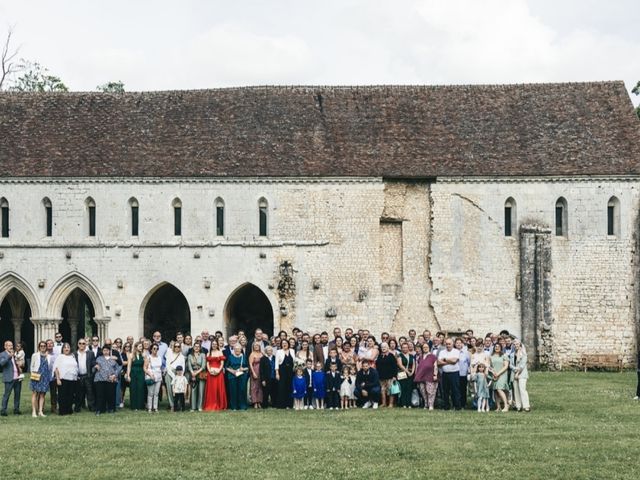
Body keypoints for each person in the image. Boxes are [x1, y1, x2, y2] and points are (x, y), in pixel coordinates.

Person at [53, 343, 78, 416]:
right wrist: (58, 379)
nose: (66, 349)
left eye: (68, 347)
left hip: (72, 379)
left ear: (70, 349)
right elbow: (56, 368)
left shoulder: (72, 356)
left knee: (70, 395)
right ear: (62, 349)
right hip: (62, 379)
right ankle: (62, 411)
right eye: (65, 347)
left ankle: (69, 410)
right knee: (62, 395)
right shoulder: (60, 357)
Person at [93, 345, 119, 415]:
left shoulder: (113, 359)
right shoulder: (98, 358)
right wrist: (95, 366)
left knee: (110, 395)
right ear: (102, 351)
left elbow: (117, 368)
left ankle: (111, 409)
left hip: (111, 379)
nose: (105, 352)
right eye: (104, 350)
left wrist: (114, 375)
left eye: (107, 350)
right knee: (100, 395)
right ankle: (99, 410)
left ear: (109, 351)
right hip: (100, 379)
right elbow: (94, 367)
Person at [438, 338, 462, 410]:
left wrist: (444, 359)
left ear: (452, 344)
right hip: (445, 374)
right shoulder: (442, 352)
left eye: (449, 344)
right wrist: (449, 361)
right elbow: (438, 363)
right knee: (445, 391)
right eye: (447, 344)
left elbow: (455, 361)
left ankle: (457, 406)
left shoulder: (456, 351)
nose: (448, 345)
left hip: (454, 373)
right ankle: (446, 406)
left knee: (455, 390)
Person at [203, 341, 227, 411]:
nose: (214, 345)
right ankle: (210, 404)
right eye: (213, 344)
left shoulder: (220, 352)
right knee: (211, 389)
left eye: (215, 344)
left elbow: (222, 363)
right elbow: (207, 363)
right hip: (210, 373)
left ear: (217, 345)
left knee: (218, 388)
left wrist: (219, 371)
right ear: (211, 345)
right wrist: (209, 371)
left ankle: (220, 404)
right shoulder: (208, 353)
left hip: (219, 373)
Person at [73, 338, 96, 412]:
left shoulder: (90, 353)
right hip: (78, 376)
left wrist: (92, 372)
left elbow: (93, 363)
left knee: (90, 392)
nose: (82, 345)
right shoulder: (74, 354)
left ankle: (91, 407)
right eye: (80, 343)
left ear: (86, 344)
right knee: (78, 393)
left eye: (83, 343)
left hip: (88, 375)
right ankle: (77, 408)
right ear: (78, 344)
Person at [0, 340, 22, 416]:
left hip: (17, 377)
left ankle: (16, 410)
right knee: (7, 394)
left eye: (12, 345)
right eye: (9, 345)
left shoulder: (15, 354)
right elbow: (2, 363)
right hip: (9, 378)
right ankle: (3, 410)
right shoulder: (2, 354)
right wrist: (9, 356)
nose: (11, 347)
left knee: (17, 394)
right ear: (5, 346)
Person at [29, 341, 50, 417]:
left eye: (44, 346)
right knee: (35, 393)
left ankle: (40, 411)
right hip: (36, 375)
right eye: (41, 346)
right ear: (39, 347)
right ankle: (34, 411)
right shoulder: (35, 355)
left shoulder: (48, 356)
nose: (43, 347)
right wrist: (33, 375)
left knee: (42, 394)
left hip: (45, 376)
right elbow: (32, 366)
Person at [415, 343, 438, 410]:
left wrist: (435, 374)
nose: (425, 348)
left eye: (426, 347)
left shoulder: (433, 356)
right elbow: (417, 366)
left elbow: (435, 366)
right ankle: (426, 404)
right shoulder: (420, 357)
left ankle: (431, 405)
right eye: (424, 347)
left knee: (430, 391)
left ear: (429, 348)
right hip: (421, 376)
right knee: (423, 391)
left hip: (430, 376)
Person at [226, 344, 248, 410]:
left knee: (242, 390)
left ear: (241, 349)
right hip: (232, 376)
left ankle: (242, 406)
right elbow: (226, 366)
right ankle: (234, 406)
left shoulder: (244, 357)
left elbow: (248, 367)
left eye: (238, 349)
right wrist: (232, 371)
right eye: (236, 349)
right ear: (234, 350)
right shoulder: (230, 357)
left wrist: (243, 369)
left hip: (242, 375)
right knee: (233, 391)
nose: (237, 350)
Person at [164, 342, 185, 411]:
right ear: (173, 347)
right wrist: (173, 376)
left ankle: (178, 405)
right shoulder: (169, 354)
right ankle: (172, 405)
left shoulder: (182, 356)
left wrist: (179, 376)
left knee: (178, 390)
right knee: (170, 390)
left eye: (178, 346)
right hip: (170, 373)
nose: (177, 348)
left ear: (180, 348)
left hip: (179, 373)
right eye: (175, 346)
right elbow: (167, 366)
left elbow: (183, 367)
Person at [125, 342, 146, 410]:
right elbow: (129, 366)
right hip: (133, 373)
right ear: (136, 347)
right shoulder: (131, 355)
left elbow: (145, 366)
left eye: (141, 346)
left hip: (141, 373)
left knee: (140, 388)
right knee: (133, 389)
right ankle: (134, 406)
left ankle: (140, 406)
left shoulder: (143, 355)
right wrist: (128, 375)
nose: (141, 348)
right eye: (140, 346)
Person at [510, 339, 530, 412]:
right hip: (514, 373)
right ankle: (518, 406)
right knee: (516, 390)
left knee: (522, 389)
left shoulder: (523, 354)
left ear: (520, 345)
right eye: (514, 345)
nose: (516, 346)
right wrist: (515, 369)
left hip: (521, 374)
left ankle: (526, 406)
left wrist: (517, 373)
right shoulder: (512, 355)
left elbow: (522, 365)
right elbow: (510, 364)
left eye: (517, 344)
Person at [376, 342, 398, 408]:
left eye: (385, 347)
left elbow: (395, 367)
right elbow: (377, 366)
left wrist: (394, 376)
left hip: (390, 376)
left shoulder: (391, 356)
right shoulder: (379, 356)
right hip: (381, 376)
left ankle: (391, 404)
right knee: (383, 390)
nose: (383, 348)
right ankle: (384, 403)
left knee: (390, 390)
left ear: (388, 348)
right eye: (382, 347)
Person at [490, 343, 510, 412]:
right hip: (494, 374)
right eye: (495, 346)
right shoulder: (491, 356)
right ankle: (498, 407)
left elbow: (506, 366)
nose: (497, 347)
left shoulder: (504, 356)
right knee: (495, 390)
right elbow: (490, 366)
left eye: (498, 346)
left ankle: (506, 406)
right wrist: (493, 373)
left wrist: (498, 373)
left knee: (499, 389)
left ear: (501, 348)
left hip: (502, 374)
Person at [275, 338, 294, 409]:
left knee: (290, 387)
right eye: (283, 343)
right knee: (282, 387)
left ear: (288, 344)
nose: (284, 344)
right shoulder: (279, 351)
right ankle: (282, 405)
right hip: (282, 371)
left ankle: (289, 404)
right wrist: (277, 373)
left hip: (290, 371)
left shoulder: (292, 351)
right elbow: (276, 363)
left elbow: (294, 361)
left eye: (285, 343)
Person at [187, 342, 206, 411]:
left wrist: (197, 372)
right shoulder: (190, 355)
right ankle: (193, 407)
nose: (197, 348)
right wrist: (192, 373)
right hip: (193, 374)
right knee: (193, 390)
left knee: (201, 390)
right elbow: (189, 365)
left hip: (201, 373)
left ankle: (200, 406)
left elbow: (203, 366)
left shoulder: (203, 355)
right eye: (195, 346)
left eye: (198, 346)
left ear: (200, 348)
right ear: (193, 347)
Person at [396, 342, 415, 408]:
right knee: (403, 388)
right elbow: (400, 365)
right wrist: (407, 372)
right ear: (401, 348)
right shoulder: (399, 355)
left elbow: (413, 365)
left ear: (408, 348)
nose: (405, 349)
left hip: (410, 375)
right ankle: (403, 404)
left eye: (406, 347)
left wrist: (412, 372)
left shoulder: (411, 356)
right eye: (403, 348)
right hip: (402, 374)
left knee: (409, 389)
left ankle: (409, 404)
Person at [145, 344, 163, 413]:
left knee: (156, 393)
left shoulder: (159, 357)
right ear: (151, 349)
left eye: (157, 349)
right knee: (150, 393)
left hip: (158, 377)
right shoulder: (148, 357)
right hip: (151, 376)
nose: (155, 350)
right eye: (154, 348)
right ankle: (149, 408)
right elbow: (145, 368)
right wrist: (150, 374)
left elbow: (160, 367)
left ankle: (155, 407)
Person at [248, 342, 264, 409]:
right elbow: (250, 364)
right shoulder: (252, 354)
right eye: (255, 345)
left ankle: (259, 401)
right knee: (254, 387)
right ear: (253, 347)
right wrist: (253, 372)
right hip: (255, 370)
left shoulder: (262, 353)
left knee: (260, 387)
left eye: (257, 345)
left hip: (262, 371)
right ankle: (255, 402)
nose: (256, 346)